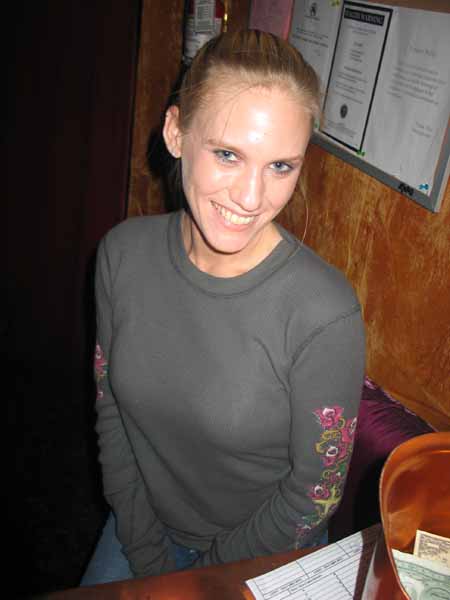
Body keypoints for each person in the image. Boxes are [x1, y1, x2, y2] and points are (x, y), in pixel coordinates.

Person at [81, 29, 365, 585]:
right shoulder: (121, 254)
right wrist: (144, 547)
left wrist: (201, 582)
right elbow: (111, 411)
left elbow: (315, 493)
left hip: (265, 550)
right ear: (176, 133)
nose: (251, 198)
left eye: (280, 166)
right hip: (141, 526)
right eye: (228, 155)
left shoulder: (324, 312)